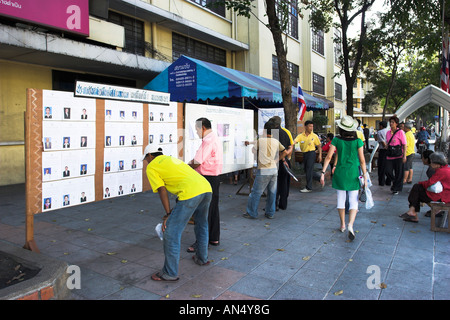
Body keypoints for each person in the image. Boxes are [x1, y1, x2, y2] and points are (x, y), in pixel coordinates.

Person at [142, 144, 212, 282]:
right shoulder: (171, 159)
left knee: (171, 232)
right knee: (202, 224)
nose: (146, 161)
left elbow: (162, 190)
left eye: (146, 159)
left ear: (150, 155)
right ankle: (202, 258)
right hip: (206, 188)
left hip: (190, 193)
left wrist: (168, 214)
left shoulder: (151, 166)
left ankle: (169, 273)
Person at [320, 115, 367, 241]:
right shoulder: (358, 141)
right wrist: (366, 177)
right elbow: (362, 161)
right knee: (353, 200)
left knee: (341, 199)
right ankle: (351, 224)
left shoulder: (336, 140)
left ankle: (342, 224)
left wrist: (323, 172)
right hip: (353, 173)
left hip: (340, 172)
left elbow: (329, 157)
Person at [187, 117, 223, 250]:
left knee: (203, 210)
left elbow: (197, 161)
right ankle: (214, 238)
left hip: (206, 178)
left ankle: (201, 242)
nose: (196, 133)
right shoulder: (215, 137)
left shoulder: (208, 140)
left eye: (197, 130)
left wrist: (185, 167)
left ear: (202, 128)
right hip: (214, 177)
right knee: (213, 208)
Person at [243, 121, 288, 219]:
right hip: (274, 169)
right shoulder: (276, 141)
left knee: (256, 192)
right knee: (272, 193)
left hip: (263, 169)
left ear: (264, 130)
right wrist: (276, 160)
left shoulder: (261, 140)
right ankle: (270, 213)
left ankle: (251, 213)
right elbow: (285, 152)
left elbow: (253, 150)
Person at [400, 152, 450, 223]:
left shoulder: (442, 171)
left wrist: (421, 183)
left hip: (444, 196)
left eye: (432, 162)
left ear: (437, 164)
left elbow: (429, 183)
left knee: (416, 189)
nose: (431, 163)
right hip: (445, 194)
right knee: (417, 189)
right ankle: (412, 212)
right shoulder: (446, 169)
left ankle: (412, 212)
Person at [269, 116, 294, 211]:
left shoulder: (274, 133)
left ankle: (273, 205)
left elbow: (278, 150)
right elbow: (290, 146)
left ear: (274, 124)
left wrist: (282, 158)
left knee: (275, 184)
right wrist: (287, 157)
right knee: (284, 183)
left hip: (278, 160)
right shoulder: (285, 132)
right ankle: (283, 204)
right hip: (286, 160)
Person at [294, 120, 322, 193]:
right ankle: (320, 178)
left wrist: (320, 155)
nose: (311, 128)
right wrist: (291, 145)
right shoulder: (301, 135)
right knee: (308, 170)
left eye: (312, 126)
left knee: (309, 170)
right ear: (305, 127)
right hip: (305, 154)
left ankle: (309, 187)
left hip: (311, 153)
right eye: (310, 126)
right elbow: (295, 141)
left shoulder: (314, 136)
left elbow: (319, 146)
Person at [385, 116, 407, 194]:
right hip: (390, 155)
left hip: (398, 155)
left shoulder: (400, 132)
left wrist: (404, 156)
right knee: (387, 171)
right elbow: (388, 142)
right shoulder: (388, 133)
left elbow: (404, 144)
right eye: (390, 122)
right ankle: (395, 182)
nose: (391, 124)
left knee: (399, 172)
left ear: (396, 124)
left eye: (393, 122)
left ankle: (396, 188)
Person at [375, 120, 391, 186]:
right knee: (389, 166)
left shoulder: (380, 132)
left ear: (381, 126)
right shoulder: (389, 131)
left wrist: (385, 146)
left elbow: (382, 141)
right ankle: (388, 181)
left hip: (383, 150)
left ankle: (381, 182)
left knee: (381, 166)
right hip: (390, 150)